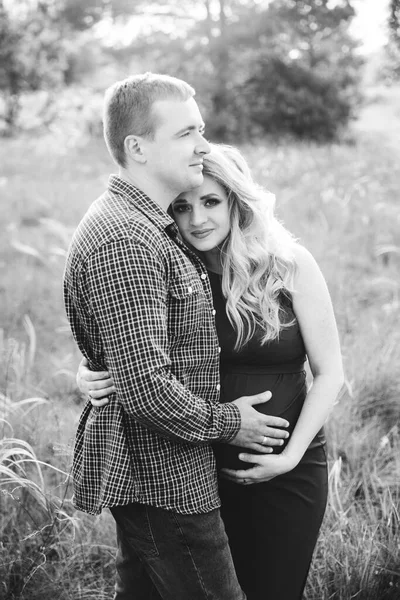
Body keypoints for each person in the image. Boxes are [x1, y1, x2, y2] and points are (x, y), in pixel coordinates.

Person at [78, 142, 344, 600]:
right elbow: (132, 343)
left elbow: (330, 373)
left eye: (211, 202)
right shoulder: (174, 268)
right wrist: (86, 372)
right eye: (182, 207)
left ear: (235, 201)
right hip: (199, 468)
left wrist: (290, 456)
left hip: (286, 472)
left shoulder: (288, 264)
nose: (197, 219)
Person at [63, 73, 292, 600]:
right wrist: (235, 422)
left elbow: (134, 349)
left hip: (174, 471)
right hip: (164, 482)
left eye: (202, 130)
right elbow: (149, 392)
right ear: (137, 148)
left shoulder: (152, 226)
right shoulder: (126, 239)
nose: (203, 145)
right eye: (187, 132)